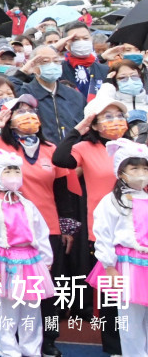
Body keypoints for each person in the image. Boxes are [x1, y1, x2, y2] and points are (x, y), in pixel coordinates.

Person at [52, 96, 133, 354]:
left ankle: (137, 343)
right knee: (111, 295)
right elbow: (61, 158)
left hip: (135, 230)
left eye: (119, 116)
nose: (115, 122)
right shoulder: (85, 148)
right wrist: (80, 127)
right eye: (107, 117)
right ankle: (114, 346)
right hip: (103, 231)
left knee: (136, 291)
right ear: (95, 125)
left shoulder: (134, 148)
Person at [0, 150, 54, 357]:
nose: (12, 174)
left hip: (30, 260)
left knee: (31, 306)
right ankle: (9, 350)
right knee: (7, 308)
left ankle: (31, 348)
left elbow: (41, 232)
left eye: (16, 170)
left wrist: (46, 258)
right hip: (5, 262)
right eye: (7, 170)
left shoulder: (28, 204)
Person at [90, 138, 148, 357]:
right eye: (135, 168)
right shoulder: (112, 201)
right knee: (130, 318)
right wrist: (109, 266)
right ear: (121, 171)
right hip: (127, 266)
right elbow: (103, 234)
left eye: (145, 167)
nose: (141, 172)